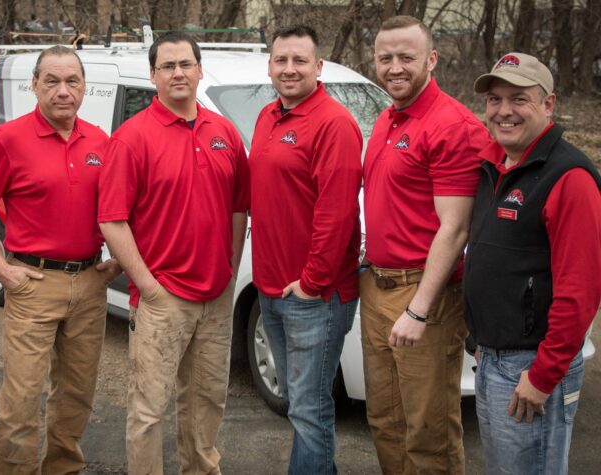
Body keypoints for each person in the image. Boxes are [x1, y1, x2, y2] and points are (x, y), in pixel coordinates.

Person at [98, 31, 249, 475]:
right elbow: (112, 219)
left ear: (200, 70)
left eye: (186, 64)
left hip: (216, 297)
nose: (178, 73)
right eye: (168, 66)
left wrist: (230, 268)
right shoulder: (132, 138)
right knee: (148, 410)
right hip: (164, 298)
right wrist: (148, 285)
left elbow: (240, 206)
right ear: (153, 75)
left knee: (207, 402)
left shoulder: (223, 132)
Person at [0, 45, 119, 474]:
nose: (63, 91)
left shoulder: (100, 142)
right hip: (32, 284)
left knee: (76, 396)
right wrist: (0, 268)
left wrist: (119, 262)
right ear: (34, 85)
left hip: (89, 283)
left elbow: (119, 210)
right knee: (22, 398)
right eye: (52, 81)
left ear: (85, 86)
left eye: (72, 81)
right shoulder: (8, 140)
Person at [360, 16, 490, 473]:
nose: (395, 67)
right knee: (385, 420)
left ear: (431, 59)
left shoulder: (452, 125)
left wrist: (418, 309)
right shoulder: (387, 117)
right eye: (385, 58)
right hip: (376, 287)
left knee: (428, 433)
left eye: (406, 58)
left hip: (424, 299)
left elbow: (455, 229)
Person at [466, 52, 601, 475]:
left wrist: (543, 376)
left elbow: (579, 294)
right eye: (494, 99)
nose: (503, 111)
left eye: (518, 99)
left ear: (548, 104)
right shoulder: (494, 164)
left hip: (530, 365)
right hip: (490, 359)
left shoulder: (569, 178)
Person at [248, 25, 363, 474]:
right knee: (299, 401)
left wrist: (313, 283)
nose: (289, 69)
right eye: (281, 60)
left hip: (314, 296)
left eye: (300, 61)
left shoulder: (334, 123)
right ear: (270, 66)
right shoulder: (267, 117)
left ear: (318, 67)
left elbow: (336, 215)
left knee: (310, 407)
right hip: (273, 290)